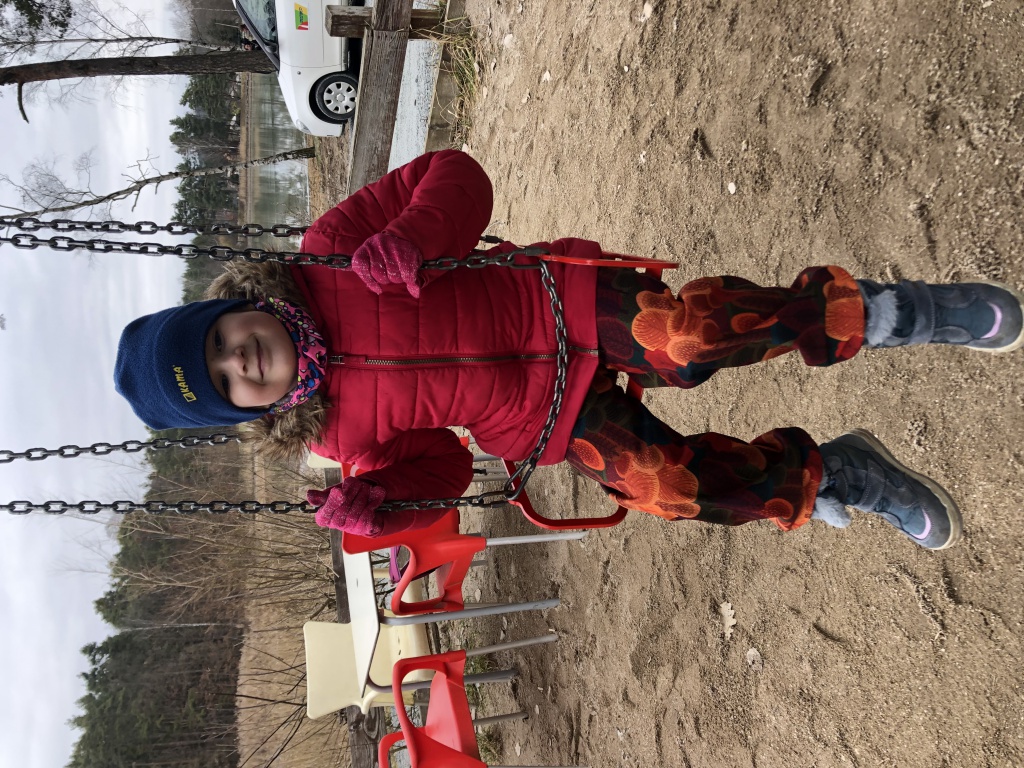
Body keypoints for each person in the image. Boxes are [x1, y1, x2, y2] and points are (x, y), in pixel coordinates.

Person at [114, 150, 1023, 550]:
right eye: (228, 382)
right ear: (243, 410)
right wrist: (383, 506)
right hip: (541, 417)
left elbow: (458, 176)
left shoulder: (328, 254)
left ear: (233, 309)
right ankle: (838, 475)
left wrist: (416, 238)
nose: (241, 360)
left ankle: (892, 312)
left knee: (687, 338)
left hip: (556, 303)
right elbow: (445, 469)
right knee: (667, 487)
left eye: (223, 340)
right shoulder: (336, 439)